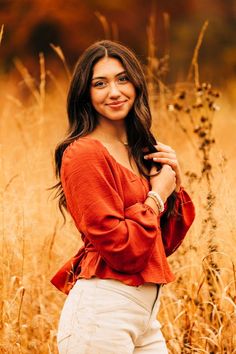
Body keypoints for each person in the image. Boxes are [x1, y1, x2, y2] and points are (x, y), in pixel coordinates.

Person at [50, 40, 195, 354]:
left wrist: (173, 184)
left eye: (122, 79)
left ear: (137, 84)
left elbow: (159, 245)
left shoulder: (144, 153)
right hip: (102, 314)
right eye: (99, 83)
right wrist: (157, 196)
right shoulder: (83, 153)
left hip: (145, 317)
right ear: (85, 94)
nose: (113, 91)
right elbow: (121, 248)